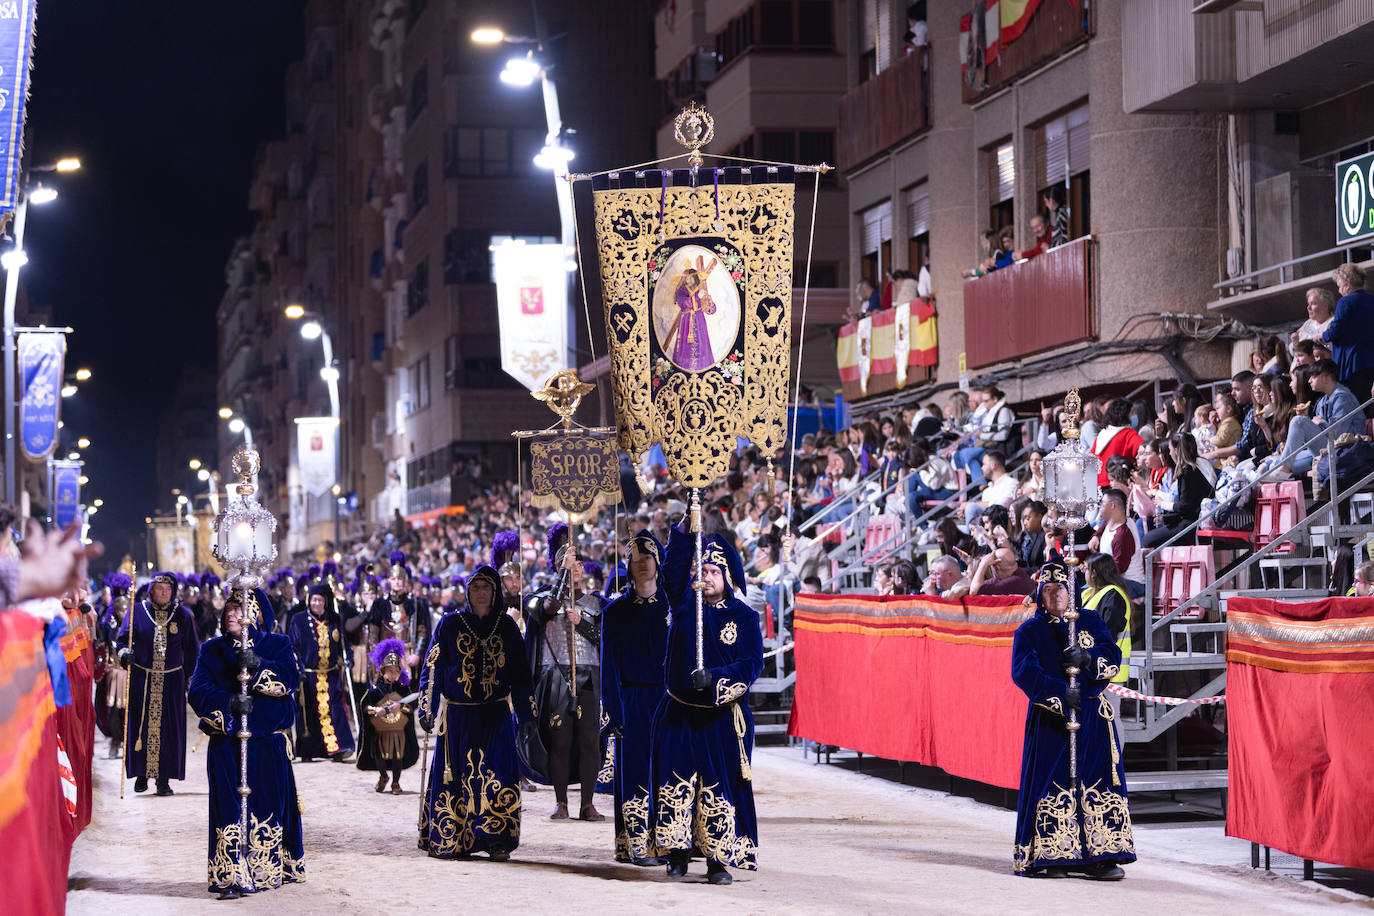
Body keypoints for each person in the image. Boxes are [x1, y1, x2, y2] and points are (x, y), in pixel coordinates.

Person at [1011, 556, 1134, 879]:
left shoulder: (1090, 622)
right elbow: (1023, 672)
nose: (1056, 597)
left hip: (1093, 717)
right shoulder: (1030, 630)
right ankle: (1052, 854)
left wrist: (1088, 658)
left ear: (1072, 592)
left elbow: (1112, 658)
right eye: (1048, 591)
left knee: (1098, 782)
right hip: (1052, 719)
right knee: (1052, 783)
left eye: (1061, 590)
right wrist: (1059, 693)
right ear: (1040, 594)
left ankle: (1102, 856)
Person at [649, 532, 762, 885]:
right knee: (675, 781)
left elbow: (751, 664)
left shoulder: (744, 616)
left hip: (721, 717)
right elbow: (672, 570)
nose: (707, 576)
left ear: (728, 577)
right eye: (704, 570)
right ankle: (677, 854)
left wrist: (715, 678)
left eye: (715, 571)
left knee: (719, 785)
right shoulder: (684, 605)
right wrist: (686, 529)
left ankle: (717, 860)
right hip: (679, 712)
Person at [187, 587, 304, 898]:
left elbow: (290, 681)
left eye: (239, 610)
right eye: (228, 610)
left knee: (268, 806)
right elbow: (197, 693)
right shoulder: (211, 650)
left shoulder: (277, 644)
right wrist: (229, 702)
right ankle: (231, 875)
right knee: (228, 807)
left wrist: (258, 666)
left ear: (256, 615)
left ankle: (266, 870)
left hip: (267, 745)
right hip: (227, 745)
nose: (231, 615)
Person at [417, 565, 535, 861]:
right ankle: (453, 839)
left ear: (495, 593)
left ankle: (496, 841)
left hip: (495, 718)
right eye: (476, 587)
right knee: (455, 780)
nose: (481, 593)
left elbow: (521, 674)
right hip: (458, 719)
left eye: (487, 588)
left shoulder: (507, 627)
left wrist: (527, 715)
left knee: (498, 777)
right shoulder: (449, 624)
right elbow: (432, 669)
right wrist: (427, 707)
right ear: (468, 592)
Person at [526, 524, 607, 821]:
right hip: (557, 676)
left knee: (589, 740)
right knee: (560, 740)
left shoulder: (597, 604)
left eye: (577, 563)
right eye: (566, 562)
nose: (574, 567)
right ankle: (561, 802)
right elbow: (549, 607)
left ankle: (587, 804)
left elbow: (603, 639)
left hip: (589, 677)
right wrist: (564, 570)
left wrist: (582, 624)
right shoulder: (539, 598)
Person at [600, 531, 670, 866]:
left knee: (669, 770)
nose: (642, 564)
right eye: (636, 558)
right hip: (632, 702)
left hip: (670, 701)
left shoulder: (677, 607)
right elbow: (608, 669)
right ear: (628, 565)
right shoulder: (614, 613)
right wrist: (615, 713)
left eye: (648, 557)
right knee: (636, 772)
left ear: (657, 562)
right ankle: (636, 844)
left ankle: (671, 842)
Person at [116, 572, 199, 796]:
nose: (164, 593)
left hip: (172, 682)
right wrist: (124, 655)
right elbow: (122, 641)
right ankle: (141, 775)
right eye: (160, 588)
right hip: (142, 680)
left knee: (169, 731)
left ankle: (164, 781)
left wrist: (194, 679)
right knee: (140, 727)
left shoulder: (183, 615)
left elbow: (192, 651)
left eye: (168, 589)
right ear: (151, 589)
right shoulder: (136, 612)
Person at [288, 583, 356, 762]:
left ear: (326, 602)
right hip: (309, 675)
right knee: (308, 713)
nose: (317, 603)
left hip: (331, 674)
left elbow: (344, 644)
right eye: (314, 600)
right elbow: (293, 647)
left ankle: (339, 748)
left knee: (335, 711)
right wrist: (299, 667)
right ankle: (308, 751)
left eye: (320, 600)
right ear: (309, 600)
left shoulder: (334, 619)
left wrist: (348, 657)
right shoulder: (298, 619)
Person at [357, 638, 420, 794]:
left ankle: (396, 783)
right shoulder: (374, 691)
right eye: (390, 670)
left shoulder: (403, 691)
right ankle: (383, 776)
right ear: (383, 671)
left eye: (396, 671)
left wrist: (401, 706)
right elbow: (364, 706)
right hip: (380, 731)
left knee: (397, 756)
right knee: (379, 755)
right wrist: (375, 710)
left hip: (397, 731)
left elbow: (412, 706)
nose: (393, 674)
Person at [1324, 263, 1374, 408]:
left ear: (1347, 284)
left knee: (1354, 407)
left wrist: (1322, 335)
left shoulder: (1345, 302)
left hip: (1351, 363)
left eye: (1339, 286)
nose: (1339, 291)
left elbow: (1335, 331)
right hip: (1370, 362)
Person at [1091, 399, 1142, 487]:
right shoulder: (1128, 434)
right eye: (1132, 412)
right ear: (1124, 414)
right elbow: (1143, 448)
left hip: (1098, 483)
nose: (1134, 416)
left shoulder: (1102, 434)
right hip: (1118, 483)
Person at [968, 547, 1036, 596]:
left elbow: (974, 591)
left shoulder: (1014, 582)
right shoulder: (1016, 574)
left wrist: (983, 564)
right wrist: (966, 589)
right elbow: (987, 583)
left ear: (997, 568)